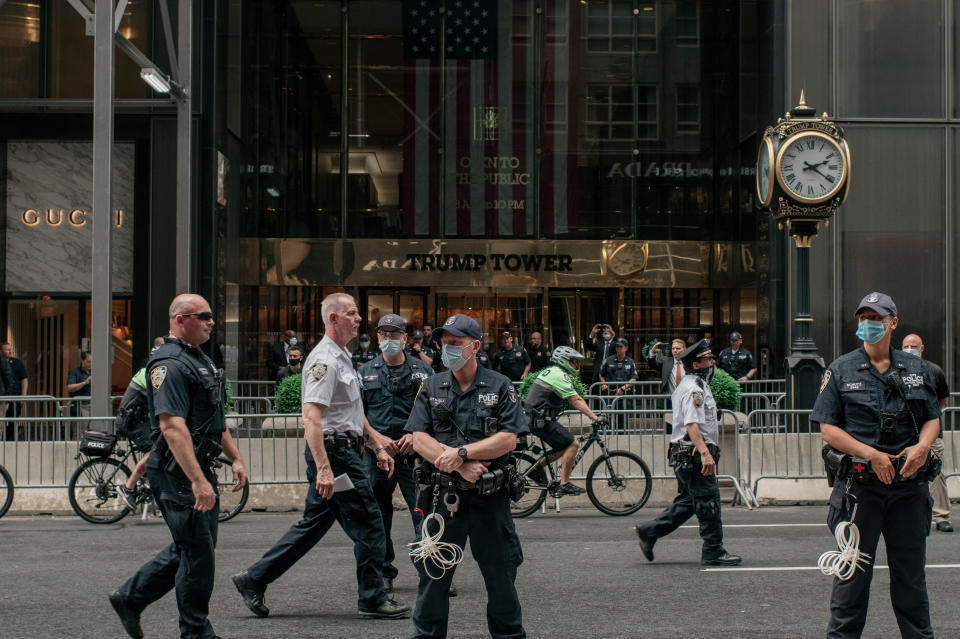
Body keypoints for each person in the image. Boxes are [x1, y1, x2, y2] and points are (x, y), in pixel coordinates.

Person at [231, 293, 410, 621]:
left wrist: (377, 446)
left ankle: (254, 578)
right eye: (352, 313)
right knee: (371, 523)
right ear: (333, 318)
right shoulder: (324, 360)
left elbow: (353, 415)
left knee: (313, 525)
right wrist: (325, 470)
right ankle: (371, 597)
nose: (359, 319)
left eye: (357, 313)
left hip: (342, 452)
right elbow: (312, 418)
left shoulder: (343, 356)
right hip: (336, 458)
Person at [110, 294, 248, 639]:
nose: (211, 322)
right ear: (180, 319)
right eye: (203, 316)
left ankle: (130, 597)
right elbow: (172, 427)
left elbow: (214, 419)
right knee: (197, 555)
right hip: (178, 474)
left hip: (196, 468)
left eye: (211, 316)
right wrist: (198, 481)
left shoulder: (197, 358)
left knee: (192, 548)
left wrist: (236, 458)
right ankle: (196, 632)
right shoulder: (168, 364)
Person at [812, 292, 940, 639]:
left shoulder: (915, 368)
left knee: (911, 581)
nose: (868, 323)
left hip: (908, 490)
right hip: (860, 491)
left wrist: (923, 446)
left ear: (893, 323)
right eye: (863, 317)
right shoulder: (841, 368)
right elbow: (827, 428)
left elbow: (932, 417)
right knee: (851, 578)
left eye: (876, 317)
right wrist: (870, 453)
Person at [404, 313, 528, 638]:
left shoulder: (500, 386)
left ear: (474, 346)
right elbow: (419, 438)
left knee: (501, 583)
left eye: (455, 343)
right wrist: (461, 467)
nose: (447, 349)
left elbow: (509, 438)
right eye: (444, 343)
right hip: (445, 502)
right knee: (433, 582)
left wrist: (463, 453)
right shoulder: (431, 386)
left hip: (490, 501)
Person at [634, 339, 741, 567]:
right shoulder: (693, 388)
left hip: (686, 452)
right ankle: (713, 550)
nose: (712, 362)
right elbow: (692, 425)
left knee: (690, 502)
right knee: (708, 501)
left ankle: (649, 531)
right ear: (697, 364)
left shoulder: (696, 384)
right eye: (707, 359)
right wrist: (705, 453)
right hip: (692, 453)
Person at [358, 313, 436, 594]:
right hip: (377, 456)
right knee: (378, 516)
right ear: (377, 338)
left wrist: (415, 436)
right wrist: (378, 441)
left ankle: (430, 569)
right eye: (384, 334)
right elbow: (358, 414)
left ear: (406, 339)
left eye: (395, 334)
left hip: (412, 455)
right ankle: (383, 572)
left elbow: (432, 411)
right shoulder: (364, 371)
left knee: (423, 512)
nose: (389, 339)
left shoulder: (423, 372)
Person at [523, 345, 607, 496]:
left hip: (537, 419)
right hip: (541, 420)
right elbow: (576, 399)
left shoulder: (553, 371)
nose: (576, 365)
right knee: (573, 443)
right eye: (574, 361)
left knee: (562, 447)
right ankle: (564, 483)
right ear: (564, 361)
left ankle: (535, 470)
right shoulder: (559, 374)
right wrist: (595, 417)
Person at [902, 333, 953, 532]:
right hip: (905, 433)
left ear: (922, 348)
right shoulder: (897, 369)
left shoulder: (934, 371)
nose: (909, 348)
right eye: (906, 345)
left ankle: (941, 517)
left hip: (930, 433)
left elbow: (942, 401)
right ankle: (905, 515)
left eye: (913, 345)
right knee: (903, 472)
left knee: (935, 471)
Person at [599, 337, 638, 429]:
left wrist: (622, 388)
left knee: (623, 420)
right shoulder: (608, 360)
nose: (618, 349)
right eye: (617, 347)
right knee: (607, 418)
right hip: (610, 394)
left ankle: (622, 437)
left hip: (624, 394)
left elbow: (634, 378)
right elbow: (601, 374)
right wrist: (603, 383)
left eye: (620, 347)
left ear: (626, 348)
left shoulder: (630, 362)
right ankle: (607, 437)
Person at [66, 351, 92, 417]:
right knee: (81, 427)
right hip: (80, 406)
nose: (91, 364)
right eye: (88, 362)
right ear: (82, 361)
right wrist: (85, 382)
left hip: (93, 405)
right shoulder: (74, 373)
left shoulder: (93, 372)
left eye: (92, 362)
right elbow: (70, 388)